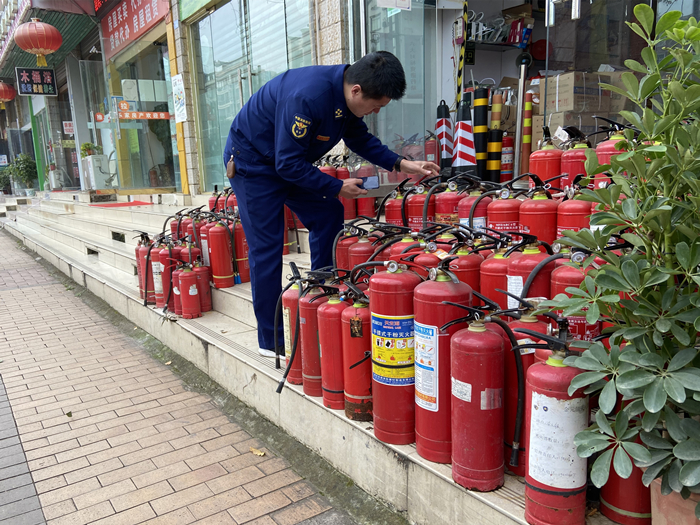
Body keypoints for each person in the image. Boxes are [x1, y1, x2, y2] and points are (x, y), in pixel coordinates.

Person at [223, 51, 440, 357]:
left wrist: (404, 164)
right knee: (268, 247)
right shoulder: (308, 97)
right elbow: (287, 165)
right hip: (253, 164)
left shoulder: (347, 96)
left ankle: (319, 293)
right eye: (376, 106)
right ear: (357, 91)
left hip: (287, 161)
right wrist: (337, 185)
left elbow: (360, 140)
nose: (375, 112)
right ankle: (271, 340)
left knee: (328, 213)